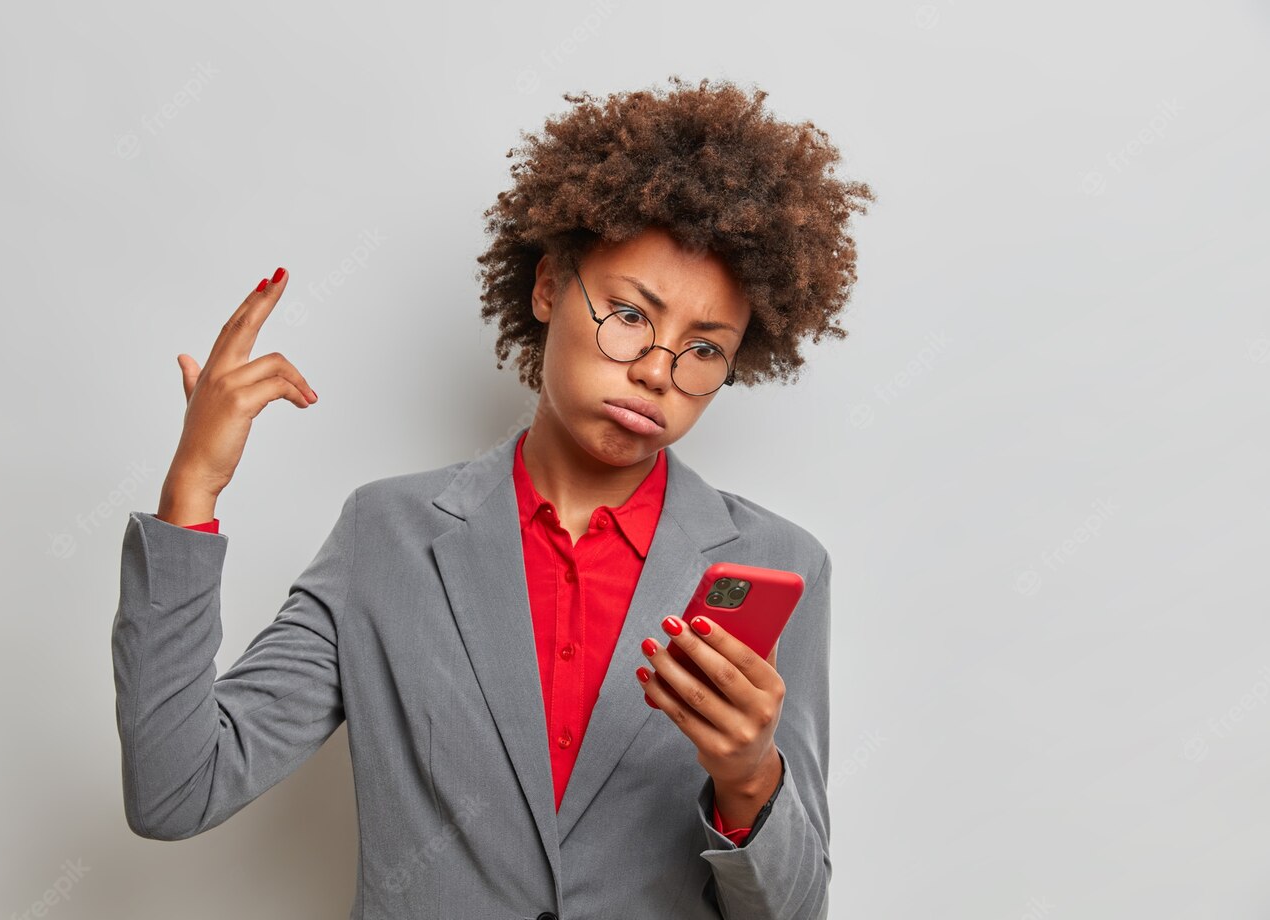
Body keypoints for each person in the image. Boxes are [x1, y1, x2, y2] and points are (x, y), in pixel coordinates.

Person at [112, 74, 873, 919]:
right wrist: (193, 488)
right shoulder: (386, 536)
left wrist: (748, 777)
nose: (658, 370)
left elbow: (794, 911)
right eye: (628, 313)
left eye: (704, 350)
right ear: (548, 287)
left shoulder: (777, 566)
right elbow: (176, 789)